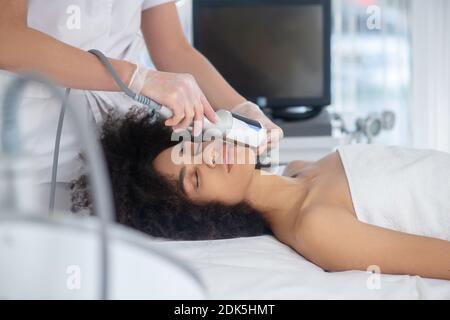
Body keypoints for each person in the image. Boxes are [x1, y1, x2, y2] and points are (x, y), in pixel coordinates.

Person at [73, 108, 450, 281]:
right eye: (195, 179)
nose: (211, 155)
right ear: (201, 216)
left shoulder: (301, 169)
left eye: (194, 147)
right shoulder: (316, 227)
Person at [0, 0, 282, 209]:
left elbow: (173, 48)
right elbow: (6, 38)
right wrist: (135, 77)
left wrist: (240, 106)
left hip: (117, 139)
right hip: (32, 136)